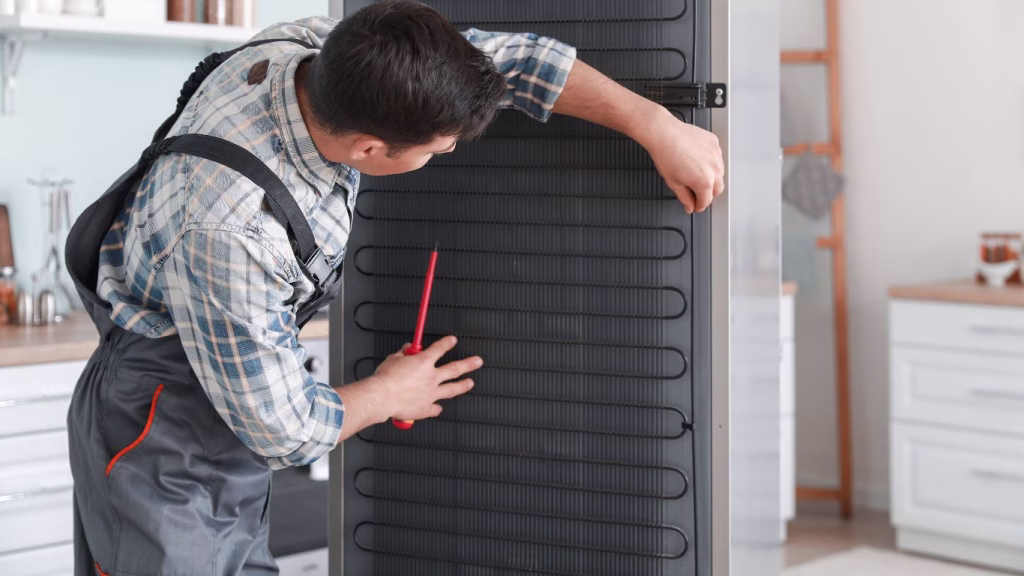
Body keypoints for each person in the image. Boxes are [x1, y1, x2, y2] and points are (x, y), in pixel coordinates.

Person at [65, 1, 725, 574]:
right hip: (159, 429)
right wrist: (390, 392)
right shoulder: (231, 227)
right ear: (370, 150)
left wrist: (656, 125)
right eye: (438, 149)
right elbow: (282, 429)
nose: (449, 154)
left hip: (215, 399)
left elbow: (514, 61)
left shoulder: (320, 52)